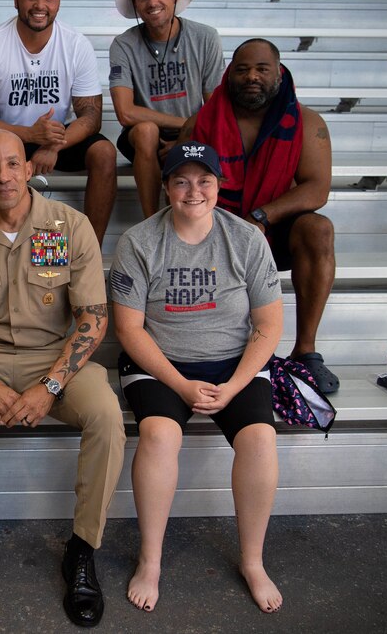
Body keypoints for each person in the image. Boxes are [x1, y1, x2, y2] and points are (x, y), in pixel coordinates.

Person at [0, 129, 125, 627]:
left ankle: (82, 548)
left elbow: (93, 318)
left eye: (13, 164)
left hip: (56, 358)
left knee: (106, 415)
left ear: (30, 167)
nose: (3, 176)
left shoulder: (67, 225)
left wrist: (50, 386)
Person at [109, 140, 285, 614]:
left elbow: (269, 326)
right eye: (181, 180)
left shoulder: (246, 238)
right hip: (160, 365)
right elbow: (128, 329)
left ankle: (252, 560)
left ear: (219, 185)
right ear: (166, 186)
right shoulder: (139, 241)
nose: (193, 190)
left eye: (204, 179)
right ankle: (151, 561)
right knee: (160, 434)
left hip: (232, 364)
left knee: (260, 440)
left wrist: (234, 385)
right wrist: (183, 386)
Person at [180, 38, 338, 393]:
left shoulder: (307, 123)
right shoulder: (200, 124)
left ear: (279, 74)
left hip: (275, 229)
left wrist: (262, 216)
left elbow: (317, 190)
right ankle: (216, 350)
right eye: (242, 69)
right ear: (228, 75)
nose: (252, 76)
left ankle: (306, 350)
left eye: (262, 69)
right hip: (216, 227)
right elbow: (183, 186)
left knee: (319, 229)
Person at [0, 0, 117, 246]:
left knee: (104, 152)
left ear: (58, 2)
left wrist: (53, 145)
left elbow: (91, 117)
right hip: (4, 135)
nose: (40, 5)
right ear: (17, 0)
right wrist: (30, 135)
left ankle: (90, 249)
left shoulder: (76, 44)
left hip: (55, 137)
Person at [109, 0, 224, 219]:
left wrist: (186, 134)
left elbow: (216, 106)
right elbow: (125, 113)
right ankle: (152, 222)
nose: (152, 2)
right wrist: (184, 123)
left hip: (194, 133)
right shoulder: (124, 44)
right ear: (136, 5)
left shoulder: (205, 37)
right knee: (147, 130)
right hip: (142, 139)